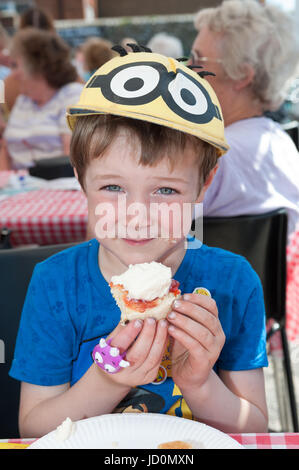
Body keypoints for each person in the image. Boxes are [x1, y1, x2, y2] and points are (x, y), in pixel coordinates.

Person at [9, 47, 268, 438]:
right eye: (112, 186)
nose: (137, 213)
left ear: (205, 183)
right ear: (80, 178)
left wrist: (199, 383)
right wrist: (108, 380)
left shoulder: (234, 284)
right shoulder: (55, 284)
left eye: (165, 189)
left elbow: (255, 428)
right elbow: (32, 427)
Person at [191, 0, 299, 243]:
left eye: (197, 59)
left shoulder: (215, 157)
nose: (187, 69)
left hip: (206, 281)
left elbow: (139, 222)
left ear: (241, 75)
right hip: (268, 280)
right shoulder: (281, 142)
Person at [0, 28, 83, 170]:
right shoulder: (24, 101)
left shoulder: (72, 95)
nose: (11, 75)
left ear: (37, 66)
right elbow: (6, 150)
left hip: (56, 184)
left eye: (15, 66)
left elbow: (71, 157)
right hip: (18, 185)